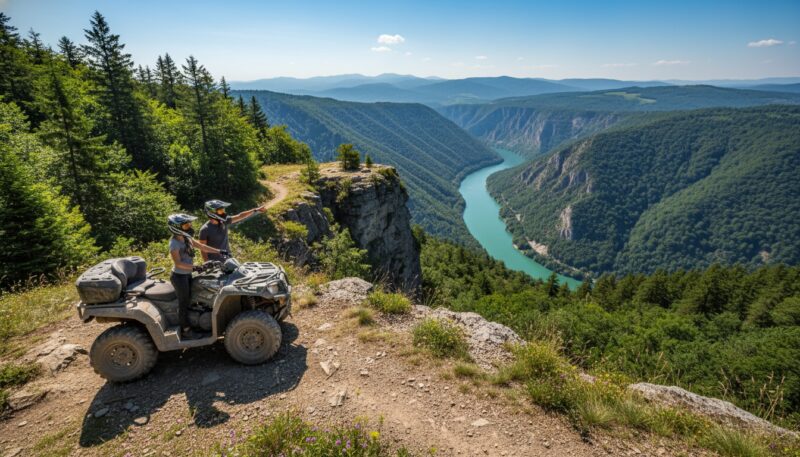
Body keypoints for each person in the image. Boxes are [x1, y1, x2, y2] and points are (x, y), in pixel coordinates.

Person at [167, 213, 226, 338]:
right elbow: (178, 264)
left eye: (189, 223)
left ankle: (197, 322)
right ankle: (186, 330)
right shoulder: (174, 244)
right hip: (179, 277)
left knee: (196, 298)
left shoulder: (186, 238)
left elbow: (202, 246)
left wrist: (220, 251)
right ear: (177, 227)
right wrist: (197, 267)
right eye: (186, 224)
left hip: (187, 274)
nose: (190, 226)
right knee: (184, 303)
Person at [198, 200, 266, 261]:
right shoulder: (205, 230)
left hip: (228, 258)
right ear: (211, 212)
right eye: (220, 210)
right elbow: (202, 249)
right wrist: (207, 263)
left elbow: (240, 216)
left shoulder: (224, 221)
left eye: (223, 210)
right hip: (216, 263)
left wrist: (255, 210)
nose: (224, 212)